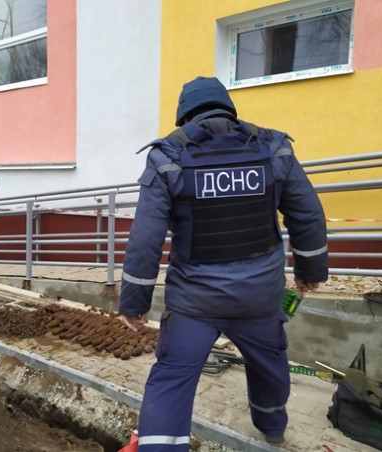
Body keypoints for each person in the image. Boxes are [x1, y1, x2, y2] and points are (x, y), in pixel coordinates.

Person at [118, 76, 328, 450]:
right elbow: (308, 214)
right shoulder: (273, 148)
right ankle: (272, 426)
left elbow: (145, 238)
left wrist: (134, 303)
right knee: (269, 364)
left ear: (185, 117)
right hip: (260, 299)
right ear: (229, 110)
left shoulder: (168, 157)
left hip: (194, 306)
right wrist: (310, 272)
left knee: (172, 379)